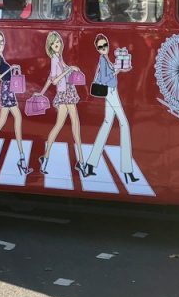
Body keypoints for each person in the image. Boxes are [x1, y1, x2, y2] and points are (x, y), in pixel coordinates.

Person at [82, 34, 138, 183]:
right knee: (124, 124)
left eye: (104, 45)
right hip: (110, 91)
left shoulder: (106, 59)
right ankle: (127, 170)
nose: (103, 49)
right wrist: (117, 71)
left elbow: (110, 73)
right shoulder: (102, 59)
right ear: (97, 48)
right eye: (100, 47)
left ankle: (90, 164)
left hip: (111, 91)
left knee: (107, 124)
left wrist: (119, 69)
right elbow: (105, 79)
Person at [0, 27, 32, 174]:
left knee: (2, 122)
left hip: (7, 90)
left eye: (1, 42)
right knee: (16, 119)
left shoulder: (0, 56)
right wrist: (11, 69)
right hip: (6, 90)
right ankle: (21, 161)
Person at [37, 31, 84, 175]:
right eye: (54, 43)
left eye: (58, 42)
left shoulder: (58, 57)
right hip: (65, 94)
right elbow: (56, 80)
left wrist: (72, 68)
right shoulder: (54, 59)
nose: (57, 45)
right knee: (73, 125)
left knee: (63, 125)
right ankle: (81, 162)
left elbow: (50, 77)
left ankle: (46, 158)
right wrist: (67, 71)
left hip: (67, 91)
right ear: (50, 46)